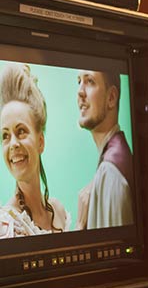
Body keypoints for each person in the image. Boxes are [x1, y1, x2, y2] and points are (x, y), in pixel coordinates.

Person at [0, 64, 70, 236]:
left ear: (40, 142)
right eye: (5, 135)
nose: (13, 144)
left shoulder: (59, 211)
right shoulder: (6, 226)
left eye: (21, 131)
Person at [76, 70, 133, 229]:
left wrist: (80, 227)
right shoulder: (111, 163)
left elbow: (116, 251)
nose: (80, 91)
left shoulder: (110, 172)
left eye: (90, 81)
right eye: (78, 81)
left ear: (111, 98)